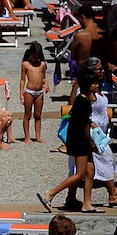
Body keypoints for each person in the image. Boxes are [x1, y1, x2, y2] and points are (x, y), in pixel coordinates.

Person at [64, 58, 117, 209]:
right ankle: (112, 195)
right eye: (99, 69)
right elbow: (72, 107)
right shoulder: (84, 89)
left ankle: (72, 197)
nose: (102, 72)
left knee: (82, 169)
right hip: (89, 133)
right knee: (103, 160)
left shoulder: (95, 86)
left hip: (95, 132)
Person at [38, 72, 103, 213]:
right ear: (87, 85)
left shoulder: (81, 99)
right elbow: (83, 127)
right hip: (80, 140)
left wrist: (90, 124)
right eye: (94, 84)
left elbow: (80, 119)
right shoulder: (84, 102)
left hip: (77, 137)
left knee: (90, 171)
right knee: (79, 174)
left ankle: (87, 203)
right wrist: (91, 143)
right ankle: (51, 193)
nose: (96, 86)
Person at [68, 4, 110, 105]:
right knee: (98, 102)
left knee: (73, 106)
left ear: (82, 17)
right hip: (99, 75)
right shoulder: (103, 34)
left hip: (84, 75)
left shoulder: (80, 35)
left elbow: (73, 56)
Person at [19, 41, 49, 143]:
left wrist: (46, 84)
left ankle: (38, 136)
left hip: (39, 91)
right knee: (27, 114)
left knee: (38, 115)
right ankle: (27, 136)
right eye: (33, 56)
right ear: (30, 54)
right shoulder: (26, 64)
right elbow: (22, 79)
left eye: (37, 57)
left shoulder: (42, 65)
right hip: (29, 91)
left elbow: (44, 78)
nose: (35, 59)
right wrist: (21, 94)